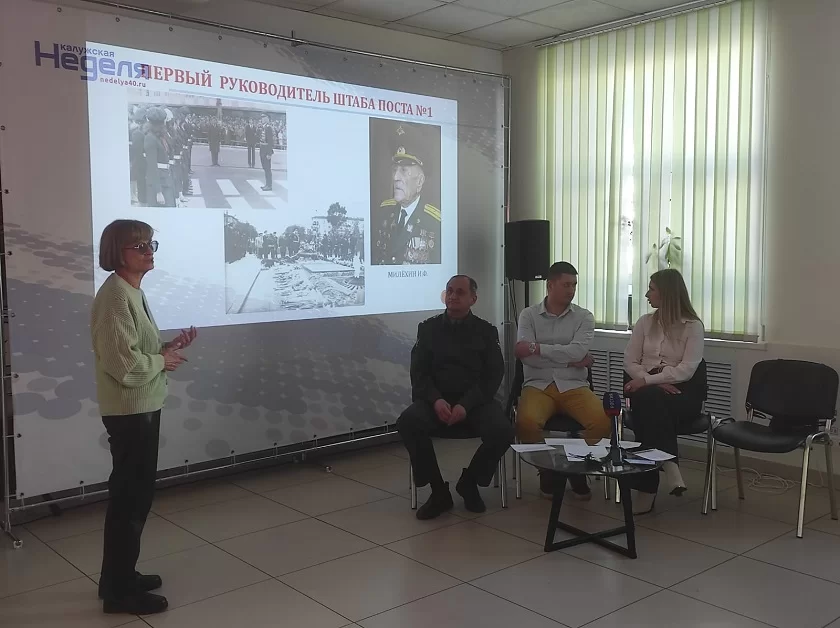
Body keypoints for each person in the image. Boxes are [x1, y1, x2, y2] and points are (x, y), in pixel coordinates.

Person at [91, 220, 197, 615]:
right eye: (139, 245)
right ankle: (119, 592)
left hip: (142, 406)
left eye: (151, 243)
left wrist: (166, 347)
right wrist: (161, 360)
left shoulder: (131, 291)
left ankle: (118, 578)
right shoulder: (115, 298)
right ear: (117, 253)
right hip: (130, 410)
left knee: (133, 499)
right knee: (130, 501)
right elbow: (124, 367)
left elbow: (135, 350)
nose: (149, 251)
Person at [397, 275, 513, 519]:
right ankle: (438, 491)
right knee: (408, 422)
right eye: (449, 291)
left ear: (473, 299)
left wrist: (466, 405)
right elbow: (418, 373)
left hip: (475, 403)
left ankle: (469, 482)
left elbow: (493, 375)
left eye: (460, 292)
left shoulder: (486, 331)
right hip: (436, 402)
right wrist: (436, 399)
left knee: (503, 430)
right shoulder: (428, 328)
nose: (452, 296)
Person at [514, 261, 610, 500]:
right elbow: (527, 357)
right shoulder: (528, 315)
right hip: (538, 385)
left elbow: (577, 352)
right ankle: (547, 471)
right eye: (566, 285)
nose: (571, 290)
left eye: (574, 285)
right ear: (550, 285)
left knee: (602, 421)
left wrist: (538, 348)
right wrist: (569, 360)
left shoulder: (584, 317)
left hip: (574, 385)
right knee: (526, 422)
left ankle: (576, 466)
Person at [623, 268, 704, 514]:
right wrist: (652, 383)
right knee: (649, 400)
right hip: (648, 393)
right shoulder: (644, 323)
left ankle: (647, 488)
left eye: (652, 289)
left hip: (682, 394)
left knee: (646, 407)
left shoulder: (693, 326)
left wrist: (648, 380)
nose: (647, 295)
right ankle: (669, 462)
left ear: (667, 293)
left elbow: (687, 370)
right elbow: (629, 362)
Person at [372, 123, 440, 266]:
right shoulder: (383, 212)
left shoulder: (435, 223)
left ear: (420, 181)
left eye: (404, 170)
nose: (395, 177)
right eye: (394, 170)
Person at [144, 108, 175, 208]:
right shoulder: (150, 138)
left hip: (165, 180)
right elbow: (152, 166)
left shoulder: (159, 136)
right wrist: (158, 192)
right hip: (158, 184)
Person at [259, 114, 275, 191]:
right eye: (262, 118)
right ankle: (267, 184)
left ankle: (269, 185)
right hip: (262, 149)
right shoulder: (263, 127)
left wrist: (269, 153)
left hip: (266, 150)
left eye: (264, 118)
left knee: (267, 168)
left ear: (267, 119)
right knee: (265, 168)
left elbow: (270, 141)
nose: (262, 119)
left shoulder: (268, 128)